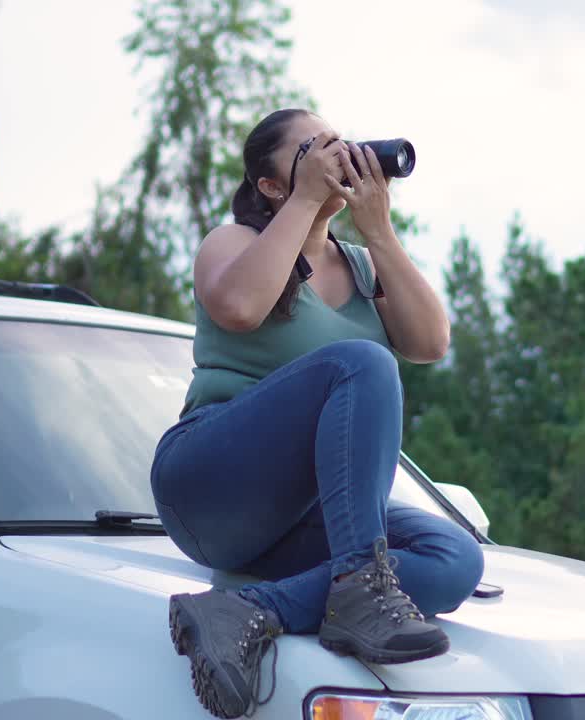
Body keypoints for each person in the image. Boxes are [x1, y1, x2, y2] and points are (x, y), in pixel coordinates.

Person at [150, 108, 485, 719]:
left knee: (454, 558)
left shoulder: (360, 268)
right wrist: (304, 204)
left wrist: (378, 231)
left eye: (336, 139)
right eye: (312, 147)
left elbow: (431, 343)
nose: (334, 152)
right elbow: (240, 306)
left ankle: (252, 610)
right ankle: (359, 588)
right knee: (362, 362)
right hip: (208, 483)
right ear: (271, 185)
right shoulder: (233, 243)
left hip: (299, 519)